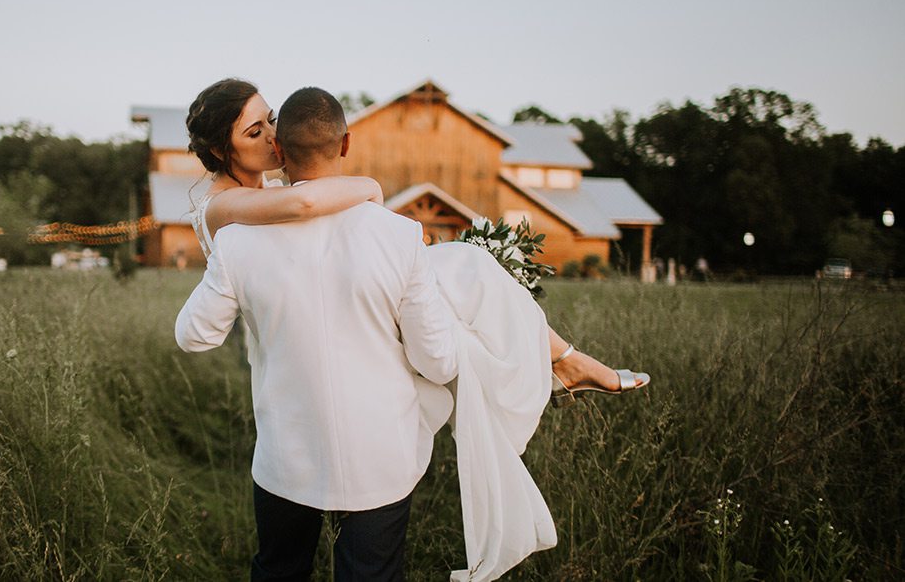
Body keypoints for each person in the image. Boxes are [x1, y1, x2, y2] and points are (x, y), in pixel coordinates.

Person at [175, 80, 649, 580]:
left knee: (279, 569)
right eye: (255, 130)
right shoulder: (230, 218)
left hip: (287, 445)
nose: (271, 137)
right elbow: (305, 206)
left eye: (272, 121)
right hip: (377, 451)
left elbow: (204, 324)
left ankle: (561, 356)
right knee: (460, 276)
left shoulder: (245, 237)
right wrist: (373, 193)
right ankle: (559, 358)